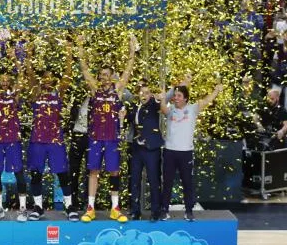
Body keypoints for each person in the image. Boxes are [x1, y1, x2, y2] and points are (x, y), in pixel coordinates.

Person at [76, 33, 137, 223]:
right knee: (93, 171)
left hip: (112, 138)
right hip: (95, 138)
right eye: (101, 75)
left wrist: (132, 51)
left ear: (112, 77)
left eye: (106, 75)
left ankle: (115, 208)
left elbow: (128, 70)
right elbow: (85, 70)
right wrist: (80, 48)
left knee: (114, 172)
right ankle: (91, 208)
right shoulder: (95, 90)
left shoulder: (117, 90)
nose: (102, 78)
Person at [20, 41, 78, 221]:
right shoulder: (36, 93)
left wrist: (69, 53)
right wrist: (29, 54)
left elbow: (68, 75)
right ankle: (38, 207)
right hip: (37, 140)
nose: (47, 80)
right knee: (36, 174)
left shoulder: (58, 93)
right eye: (44, 77)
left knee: (62, 173)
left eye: (50, 77)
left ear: (53, 80)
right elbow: (29, 74)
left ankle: (69, 207)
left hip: (55, 141)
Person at [159, 81, 223, 221]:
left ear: (186, 98)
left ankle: (189, 211)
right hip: (170, 151)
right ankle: (164, 210)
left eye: (179, 95)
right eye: (175, 95)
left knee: (187, 182)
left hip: (186, 152)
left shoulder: (193, 109)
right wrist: (164, 97)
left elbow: (206, 101)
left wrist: (216, 91)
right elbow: (163, 108)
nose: (176, 97)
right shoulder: (170, 110)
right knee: (167, 182)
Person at [0, 45, 28, 221]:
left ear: (10, 81)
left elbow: (22, 79)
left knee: (19, 172)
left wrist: (15, 59)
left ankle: (23, 209)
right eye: (1, 80)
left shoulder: (14, 96)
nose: (4, 82)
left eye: (7, 80)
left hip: (12, 139)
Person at [127, 82, 164, 222]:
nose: (144, 95)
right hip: (136, 149)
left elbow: (162, 101)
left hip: (152, 149)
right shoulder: (134, 107)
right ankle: (135, 211)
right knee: (135, 180)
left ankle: (155, 211)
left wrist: (161, 97)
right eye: (142, 92)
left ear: (151, 94)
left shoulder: (154, 104)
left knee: (154, 181)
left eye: (147, 92)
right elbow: (127, 120)